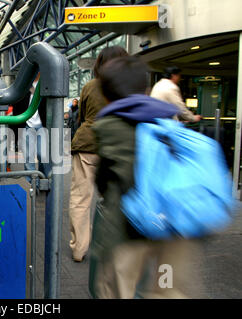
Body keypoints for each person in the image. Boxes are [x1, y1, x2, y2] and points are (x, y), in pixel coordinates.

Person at [89, 55, 200, 298]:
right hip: (172, 228)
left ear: (106, 95)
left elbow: (104, 180)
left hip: (128, 230)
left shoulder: (108, 125)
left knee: (118, 288)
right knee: (167, 288)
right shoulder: (168, 118)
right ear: (145, 88)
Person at [68, 46, 129, 262]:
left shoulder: (90, 86)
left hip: (87, 144)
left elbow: (82, 116)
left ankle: (79, 249)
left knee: (80, 199)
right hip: (115, 146)